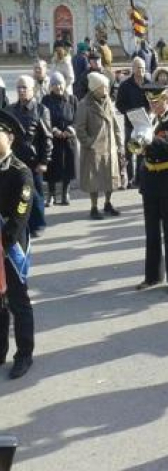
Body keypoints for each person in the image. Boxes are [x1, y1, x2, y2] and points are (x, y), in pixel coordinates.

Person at [135, 84, 168, 295]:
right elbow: (140, 148)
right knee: (151, 232)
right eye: (150, 102)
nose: (153, 105)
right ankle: (153, 276)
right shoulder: (148, 120)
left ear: (167, 100)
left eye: (156, 101)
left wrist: (152, 141)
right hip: (150, 179)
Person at [0, 109, 35, 379]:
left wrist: (4, 241)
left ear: (9, 138)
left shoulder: (20, 172)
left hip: (10, 246)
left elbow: (21, 213)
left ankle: (24, 354)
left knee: (17, 299)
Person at [74, 72, 122, 219]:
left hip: (110, 146)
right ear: (95, 89)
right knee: (93, 180)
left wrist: (119, 144)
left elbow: (115, 124)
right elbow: (80, 128)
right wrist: (89, 143)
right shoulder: (84, 105)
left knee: (111, 178)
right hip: (93, 149)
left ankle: (108, 203)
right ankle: (94, 207)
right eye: (104, 87)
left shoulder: (108, 101)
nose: (106, 90)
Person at [8, 76, 52, 237]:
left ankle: (38, 224)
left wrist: (44, 161)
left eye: (24, 87)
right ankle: (19, 224)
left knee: (34, 194)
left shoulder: (41, 110)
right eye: (19, 87)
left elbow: (47, 138)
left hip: (34, 162)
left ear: (32, 90)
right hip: (14, 161)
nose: (21, 90)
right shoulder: (10, 110)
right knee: (17, 194)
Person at [42, 72, 77, 206]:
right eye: (55, 84)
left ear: (65, 84)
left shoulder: (72, 99)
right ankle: (51, 195)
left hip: (68, 139)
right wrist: (54, 130)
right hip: (53, 139)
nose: (59, 87)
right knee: (52, 167)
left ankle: (65, 193)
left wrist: (70, 130)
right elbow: (44, 118)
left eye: (61, 83)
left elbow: (78, 117)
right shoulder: (46, 100)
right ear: (51, 86)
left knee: (67, 166)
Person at [115, 57, 150, 188]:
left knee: (142, 151)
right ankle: (129, 179)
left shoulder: (148, 83)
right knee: (130, 151)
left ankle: (140, 179)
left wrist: (149, 112)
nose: (141, 70)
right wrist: (129, 113)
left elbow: (152, 101)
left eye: (143, 68)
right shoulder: (125, 85)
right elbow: (119, 104)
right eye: (138, 67)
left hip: (144, 123)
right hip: (130, 122)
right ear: (133, 69)